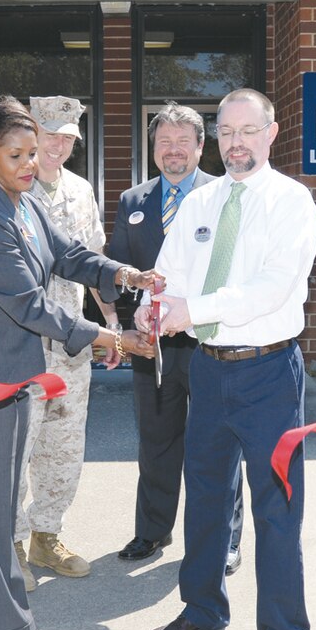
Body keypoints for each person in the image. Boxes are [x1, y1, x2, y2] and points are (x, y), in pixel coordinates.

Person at [0, 96, 160, 630]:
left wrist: (125, 273)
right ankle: (7, 628)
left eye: (33, 153)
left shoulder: (24, 204)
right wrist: (114, 339)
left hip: (7, 372)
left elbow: (70, 255)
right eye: (16, 154)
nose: (30, 164)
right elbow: (32, 307)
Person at [140, 89, 316, 630]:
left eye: (248, 130)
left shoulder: (293, 202)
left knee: (276, 505)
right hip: (209, 369)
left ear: (272, 133)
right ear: (216, 137)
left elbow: (271, 288)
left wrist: (192, 309)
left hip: (269, 370)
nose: (236, 142)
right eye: (227, 131)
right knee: (208, 493)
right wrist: (152, 304)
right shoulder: (201, 200)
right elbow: (169, 272)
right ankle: (203, 608)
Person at [108, 101, 244, 572]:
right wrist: (130, 325)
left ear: (201, 146)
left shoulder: (224, 195)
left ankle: (225, 539)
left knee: (217, 443)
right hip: (154, 346)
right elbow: (117, 270)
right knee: (157, 440)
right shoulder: (133, 201)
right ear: (153, 149)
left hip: (210, 342)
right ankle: (152, 530)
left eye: (183, 142)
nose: (173, 151)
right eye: (163, 142)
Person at [14, 95, 120, 591]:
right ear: (32, 133)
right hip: (21, 346)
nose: (57, 144)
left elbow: (94, 262)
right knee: (17, 446)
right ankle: (9, 546)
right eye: (49, 134)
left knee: (63, 446)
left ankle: (45, 536)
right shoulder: (9, 187)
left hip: (73, 346)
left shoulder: (80, 191)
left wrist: (113, 327)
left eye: (66, 137)